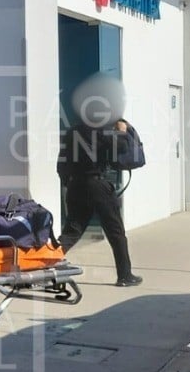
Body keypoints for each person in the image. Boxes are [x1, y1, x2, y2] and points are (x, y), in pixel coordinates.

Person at [57, 117, 143, 287]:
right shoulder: (101, 130)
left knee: (72, 231)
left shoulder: (71, 132)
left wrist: (69, 183)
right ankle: (125, 275)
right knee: (116, 232)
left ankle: (44, 263)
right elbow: (122, 146)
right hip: (97, 185)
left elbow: (61, 165)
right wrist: (122, 130)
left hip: (75, 186)